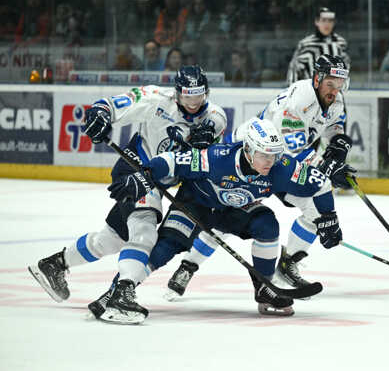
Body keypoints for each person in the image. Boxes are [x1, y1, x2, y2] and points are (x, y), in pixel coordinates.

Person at [27, 66, 228, 319]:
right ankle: (123, 293)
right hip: (136, 169)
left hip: (160, 181)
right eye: (187, 97)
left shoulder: (215, 116)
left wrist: (205, 146)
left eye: (198, 97)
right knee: (144, 230)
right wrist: (100, 113)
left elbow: (212, 152)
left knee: (111, 239)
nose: (193, 103)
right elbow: (114, 104)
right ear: (177, 93)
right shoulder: (156, 98)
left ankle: (54, 264)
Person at [95, 118, 342, 322]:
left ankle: (264, 288)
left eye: (274, 155)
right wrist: (146, 174)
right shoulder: (218, 158)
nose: (271, 161)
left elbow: (321, 184)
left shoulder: (281, 166)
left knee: (267, 225)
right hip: (196, 203)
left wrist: (329, 217)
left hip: (231, 209)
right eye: (264, 155)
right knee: (167, 246)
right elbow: (172, 161)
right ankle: (119, 292)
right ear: (248, 150)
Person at [165, 54, 354, 297]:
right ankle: (188, 266)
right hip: (251, 160)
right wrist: (326, 166)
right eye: (330, 84)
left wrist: (338, 144)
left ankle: (288, 263)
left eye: (340, 85)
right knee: (226, 217)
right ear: (317, 79)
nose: (335, 90)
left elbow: (332, 126)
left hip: (276, 164)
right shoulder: (298, 100)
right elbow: (292, 151)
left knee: (316, 211)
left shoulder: (335, 100)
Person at [286, 7, 350, 84]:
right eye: (323, 20)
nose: (327, 24)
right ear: (316, 22)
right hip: (310, 92)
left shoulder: (341, 43)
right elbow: (294, 69)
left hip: (335, 91)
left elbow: (346, 68)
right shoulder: (306, 44)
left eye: (330, 21)